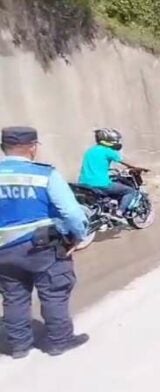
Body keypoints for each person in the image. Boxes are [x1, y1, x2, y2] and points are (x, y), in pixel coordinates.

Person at [0, 126, 90, 359]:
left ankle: (19, 346)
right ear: (32, 148)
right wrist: (79, 236)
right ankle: (59, 341)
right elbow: (71, 212)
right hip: (43, 246)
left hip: (4, 251)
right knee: (54, 292)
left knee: (14, 295)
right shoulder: (44, 174)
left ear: (3, 147)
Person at [78, 128, 146, 218]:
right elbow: (127, 162)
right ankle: (119, 212)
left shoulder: (90, 151)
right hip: (101, 184)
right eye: (115, 140)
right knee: (129, 191)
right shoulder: (108, 151)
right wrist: (140, 167)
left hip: (83, 184)